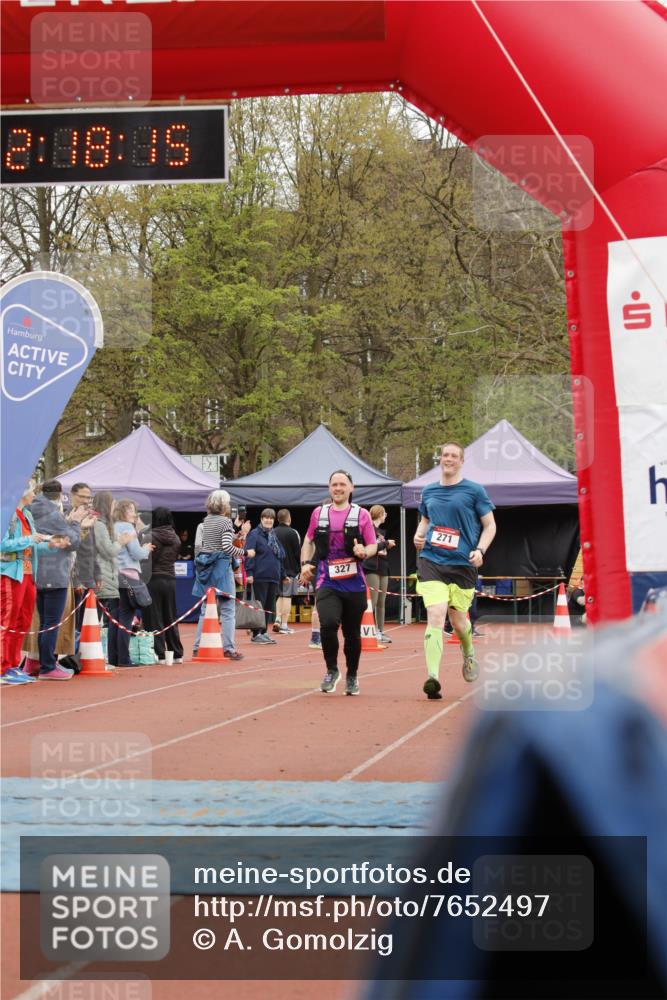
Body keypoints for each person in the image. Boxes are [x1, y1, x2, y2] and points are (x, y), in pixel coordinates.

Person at [414, 442, 496, 700]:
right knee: (436, 615)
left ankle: (469, 653)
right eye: (445, 455)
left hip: (462, 564)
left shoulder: (474, 491)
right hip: (432, 560)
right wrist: (419, 534)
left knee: (459, 622)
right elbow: (426, 519)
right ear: (441, 460)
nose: (448, 459)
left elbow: (490, 525)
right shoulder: (429, 491)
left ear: (461, 461)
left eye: (453, 456)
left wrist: (480, 550)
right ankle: (433, 677)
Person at [299, 470, 377, 696]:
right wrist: (305, 563)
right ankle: (332, 670)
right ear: (329, 488)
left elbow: (372, 544)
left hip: (354, 583)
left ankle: (352, 675)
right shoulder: (319, 513)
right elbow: (308, 540)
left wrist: (364, 551)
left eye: (343, 484)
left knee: (352, 633)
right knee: (328, 623)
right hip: (327, 579)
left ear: (351, 488)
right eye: (334, 484)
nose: (338, 488)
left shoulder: (361, 515)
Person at [0, 480, 69, 685]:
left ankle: (12, 664)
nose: (34, 495)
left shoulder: (26, 514)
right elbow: (3, 544)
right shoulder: (8, 513)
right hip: (11, 573)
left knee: (22, 620)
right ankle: (3, 667)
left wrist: (52, 545)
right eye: (31, 491)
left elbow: (32, 546)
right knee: (8, 620)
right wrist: (31, 540)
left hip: (28, 573)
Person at [30, 480, 84, 680]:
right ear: (60, 494)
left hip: (37, 572)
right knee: (51, 623)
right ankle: (47, 666)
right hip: (55, 573)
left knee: (43, 622)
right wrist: (76, 522)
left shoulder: (31, 510)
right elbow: (73, 542)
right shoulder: (52, 513)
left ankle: (38, 663)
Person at [192, 489, 245, 661]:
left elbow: (202, 546)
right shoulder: (225, 522)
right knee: (228, 609)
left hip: (206, 567)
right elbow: (226, 547)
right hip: (222, 567)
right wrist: (243, 551)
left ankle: (198, 646)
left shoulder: (205, 522)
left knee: (205, 608)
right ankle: (229, 648)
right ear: (224, 505)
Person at [92, 491, 133, 668]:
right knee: (96, 619)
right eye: (112, 504)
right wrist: (121, 542)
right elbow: (108, 551)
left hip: (105, 574)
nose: (114, 508)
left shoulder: (103, 525)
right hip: (102, 574)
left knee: (103, 619)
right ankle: (93, 657)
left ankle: (100, 656)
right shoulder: (99, 525)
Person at [113, 499, 155, 668]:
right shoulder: (127, 528)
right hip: (128, 574)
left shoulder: (113, 526)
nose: (134, 513)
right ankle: (123, 658)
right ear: (123, 511)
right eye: (131, 510)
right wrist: (146, 548)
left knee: (115, 617)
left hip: (115, 574)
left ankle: (114, 656)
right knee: (126, 617)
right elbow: (136, 553)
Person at [140, 507, 184, 663]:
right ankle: (177, 652)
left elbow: (145, 561)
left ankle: (159, 653)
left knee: (154, 617)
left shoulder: (149, 537)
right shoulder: (177, 538)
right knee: (170, 616)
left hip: (153, 580)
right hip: (170, 579)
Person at [245, 509, 287, 643]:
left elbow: (279, 557)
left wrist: (283, 575)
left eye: (271, 518)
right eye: (266, 518)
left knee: (269, 608)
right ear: (261, 519)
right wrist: (249, 573)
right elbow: (249, 554)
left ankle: (263, 632)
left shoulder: (273, 535)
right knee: (260, 606)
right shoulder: (254, 534)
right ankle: (256, 634)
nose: (269, 520)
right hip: (260, 576)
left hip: (273, 577)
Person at [68, 482, 100, 642]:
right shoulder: (67, 517)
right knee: (73, 621)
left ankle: (80, 656)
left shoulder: (89, 517)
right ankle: (69, 658)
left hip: (88, 575)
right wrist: (77, 580)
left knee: (86, 622)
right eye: (83, 496)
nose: (87, 500)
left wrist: (97, 573)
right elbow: (72, 550)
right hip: (74, 577)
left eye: (89, 497)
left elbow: (92, 548)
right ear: (72, 495)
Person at [362, 504, 396, 644]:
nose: (386, 515)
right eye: (384, 513)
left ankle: (380, 631)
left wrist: (385, 546)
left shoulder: (381, 532)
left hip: (384, 567)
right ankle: (369, 630)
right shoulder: (368, 529)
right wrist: (385, 544)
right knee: (373, 601)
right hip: (372, 568)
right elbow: (370, 548)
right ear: (380, 514)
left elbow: (382, 549)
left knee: (382, 602)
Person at [272, 508, 301, 635]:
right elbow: (297, 553)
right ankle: (284, 624)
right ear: (289, 518)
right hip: (290, 570)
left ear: (277, 519)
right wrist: (299, 570)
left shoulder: (272, 532)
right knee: (287, 597)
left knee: (279, 595)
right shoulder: (293, 533)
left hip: (275, 570)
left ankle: (278, 619)